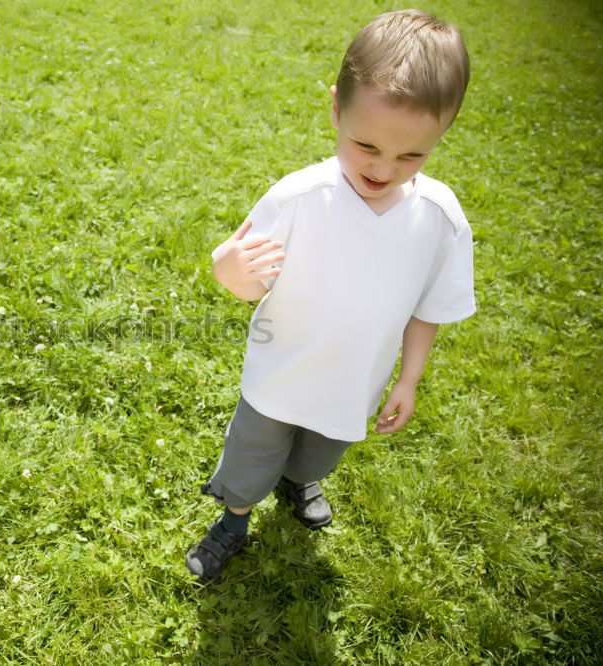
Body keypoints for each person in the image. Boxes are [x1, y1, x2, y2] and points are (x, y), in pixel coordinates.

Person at [186, 10, 475, 582]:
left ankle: (300, 481)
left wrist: (409, 380)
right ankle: (234, 519)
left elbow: (427, 311)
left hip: (353, 386)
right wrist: (228, 270)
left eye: (411, 154)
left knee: (320, 452)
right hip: (279, 376)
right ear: (336, 109)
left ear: (443, 134)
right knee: (251, 459)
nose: (384, 167)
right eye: (366, 144)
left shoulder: (439, 218)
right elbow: (251, 283)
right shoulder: (300, 198)